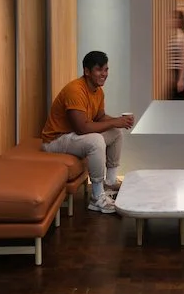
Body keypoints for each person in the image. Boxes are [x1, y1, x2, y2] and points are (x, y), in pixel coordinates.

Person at [40, 51, 134, 214]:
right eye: (99, 70)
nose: (104, 74)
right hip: (56, 140)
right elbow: (82, 128)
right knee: (95, 140)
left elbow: (100, 117)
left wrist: (119, 121)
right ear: (87, 71)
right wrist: (114, 122)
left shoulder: (98, 91)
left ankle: (109, 184)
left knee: (116, 132)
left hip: (73, 137)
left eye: (106, 70)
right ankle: (97, 198)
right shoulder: (75, 90)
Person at [167, 11, 184, 100]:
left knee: (177, 104)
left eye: (175, 18)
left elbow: (183, 59)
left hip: (180, 74)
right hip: (175, 74)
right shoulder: (175, 36)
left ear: (180, 21)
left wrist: (181, 79)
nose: (173, 20)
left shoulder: (183, 37)